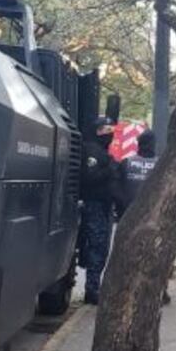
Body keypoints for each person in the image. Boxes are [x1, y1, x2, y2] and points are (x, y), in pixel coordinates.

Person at [115, 130, 169, 304]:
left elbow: (117, 189)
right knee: (154, 255)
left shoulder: (127, 163)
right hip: (154, 218)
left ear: (138, 144)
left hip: (128, 217)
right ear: (153, 144)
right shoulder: (161, 164)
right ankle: (157, 291)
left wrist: (122, 210)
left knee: (126, 255)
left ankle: (125, 290)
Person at [79, 116, 118, 306]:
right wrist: (110, 169)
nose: (109, 134)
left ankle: (95, 287)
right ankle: (92, 290)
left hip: (104, 205)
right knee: (97, 246)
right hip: (94, 205)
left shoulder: (102, 152)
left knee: (102, 248)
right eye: (105, 130)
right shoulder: (91, 151)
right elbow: (89, 177)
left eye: (111, 131)